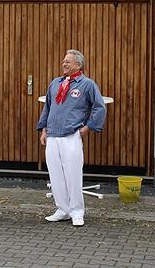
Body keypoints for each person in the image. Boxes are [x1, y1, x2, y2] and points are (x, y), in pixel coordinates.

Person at [37, 49, 106, 227]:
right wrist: (43, 129)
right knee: (56, 175)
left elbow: (99, 107)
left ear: (78, 64)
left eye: (68, 61)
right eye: (63, 61)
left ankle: (77, 211)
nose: (64, 64)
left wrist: (89, 127)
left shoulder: (87, 84)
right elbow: (48, 107)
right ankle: (62, 209)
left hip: (71, 135)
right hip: (52, 135)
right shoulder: (55, 83)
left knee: (73, 175)